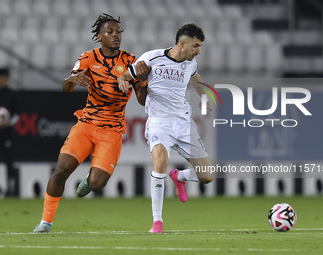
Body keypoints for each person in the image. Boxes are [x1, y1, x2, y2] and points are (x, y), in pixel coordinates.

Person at [33, 14, 147, 233]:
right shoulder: (87, 57)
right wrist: (71, 80)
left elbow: (142, 100)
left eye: (118, 32)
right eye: (110, 32)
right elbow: (66, 87)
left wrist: (141, 81)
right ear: (99, 36)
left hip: (111, 130)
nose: (116, 35)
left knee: (96, 184)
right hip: (86, 125)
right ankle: (45, 223)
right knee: (61, 170)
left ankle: (89, 178)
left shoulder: (130, 61)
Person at [118, 23, 214, 233]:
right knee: (160, 164)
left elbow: (196, 79)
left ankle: (178, 177)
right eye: (196, 45)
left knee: (207, 175)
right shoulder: (151, 58)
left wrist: (205, 97)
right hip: (159, 122)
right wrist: (123, 82)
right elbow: (124, 75)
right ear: (183, 43)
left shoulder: (191, 63)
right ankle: (157, 222)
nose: (199, 50)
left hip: (183, 124)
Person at [0, 68, 20, 197]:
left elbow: (17, 114)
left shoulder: (12, 95)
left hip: (7, 133)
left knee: (9, 160)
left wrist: (8, 123)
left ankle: (10, 188)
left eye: (6, 78)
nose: (4, 80)